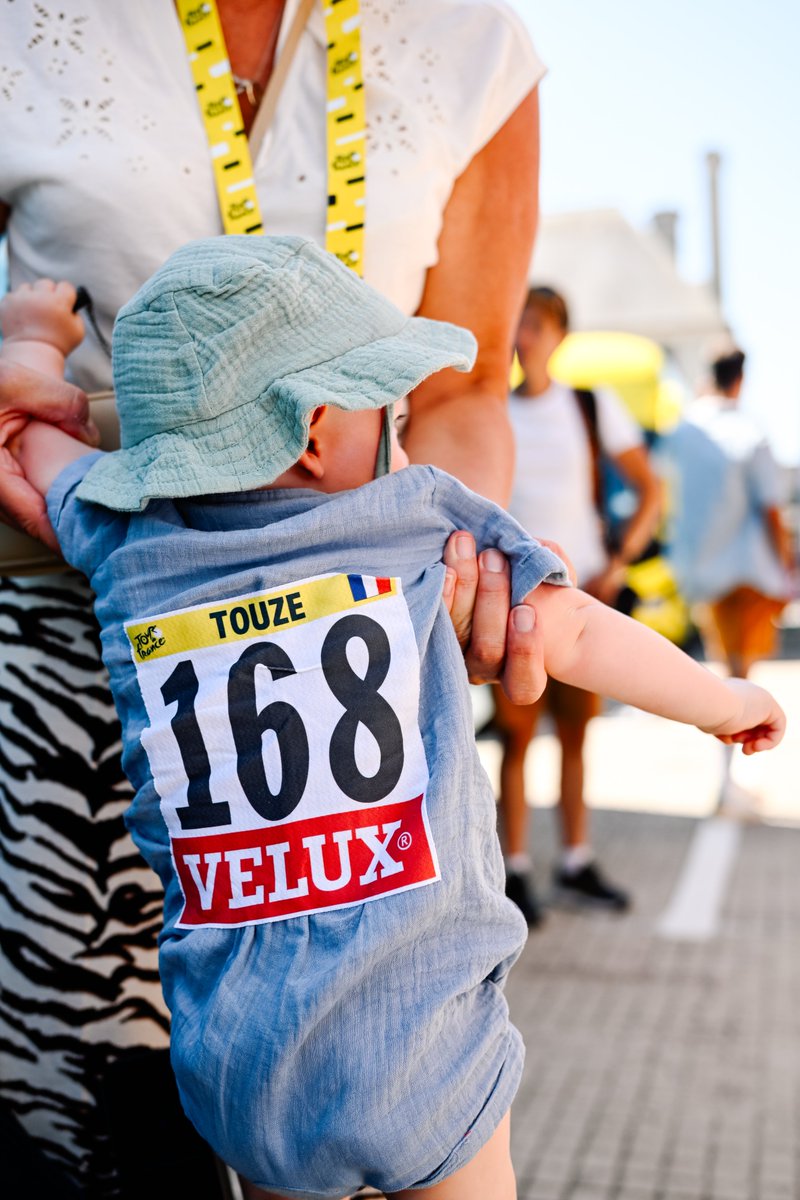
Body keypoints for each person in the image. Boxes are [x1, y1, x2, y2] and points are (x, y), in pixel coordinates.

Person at [0, 237, 786, 1200]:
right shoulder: (408, 518)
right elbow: (574, 628)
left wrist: (31, 337)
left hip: (236, 1069)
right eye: (396, 418)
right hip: (426, 1050)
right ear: (314, 432)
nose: (406, 447)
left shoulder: (122, 541)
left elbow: (32, 441)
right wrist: (726, 701)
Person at [0, 1, 548, 1190]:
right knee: (95, 1144)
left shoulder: (467, 38)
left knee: (382, 1077)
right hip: (67, 696)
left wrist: (463, 554)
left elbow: (465, 385)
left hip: (354, 676)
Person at [493, 285, 662, 925]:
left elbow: (650, 490)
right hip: (519, 601)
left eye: (536, 325)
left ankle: (574, 861)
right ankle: (514, 870)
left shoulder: (588, 405)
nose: (524, 336)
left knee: (574, 736)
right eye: (519, 323)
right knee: (515, 740)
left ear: (559, 335)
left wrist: (618, 564)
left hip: (583, 595)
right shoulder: (494, 410)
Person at [667, 345, 793, 810]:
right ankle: (731, 780)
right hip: (748, 571)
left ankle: (728, 779)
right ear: (740, 379)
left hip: (702, 570)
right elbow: (771, 507)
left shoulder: (684, 429)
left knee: (724, 672)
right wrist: (785, 563)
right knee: (742, 678)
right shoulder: (748, 429)